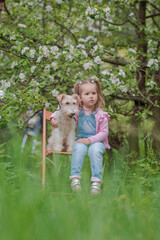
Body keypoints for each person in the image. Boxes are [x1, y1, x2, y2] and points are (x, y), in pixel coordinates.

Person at [50, 80, 110, 195]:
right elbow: (61, 110)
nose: (91, 96)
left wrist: (90, 140)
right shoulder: (77, 112)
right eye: (87, 94)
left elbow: (104, 132)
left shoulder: (101, 114)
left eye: (94, 93)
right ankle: (75, 179)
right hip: (81, 139)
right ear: (80, 98)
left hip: (97, 141)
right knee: (78, 149)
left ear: (97, 95)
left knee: (95, 150)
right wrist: (52, 117)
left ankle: (96, 182)